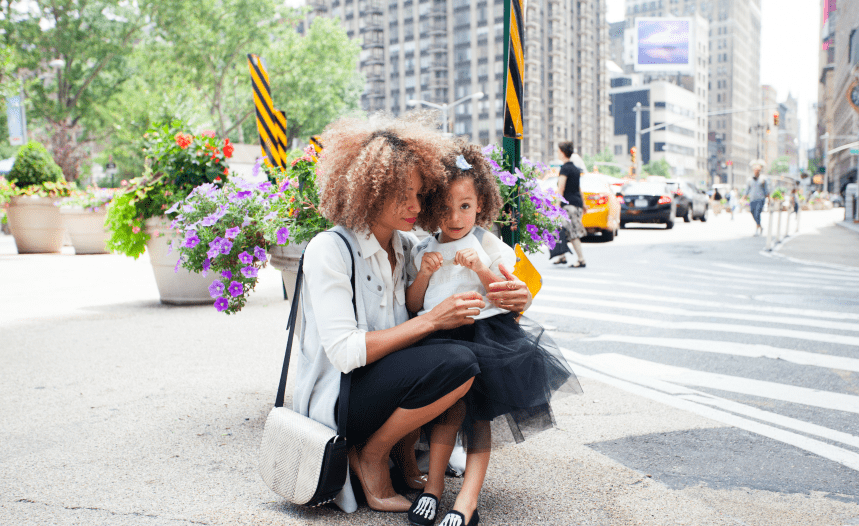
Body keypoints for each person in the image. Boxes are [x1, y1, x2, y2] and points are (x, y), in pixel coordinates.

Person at [292, 114, 534, 514]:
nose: (416, 206)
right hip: (342, 397)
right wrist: (433, 320)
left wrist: (519, 295)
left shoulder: (408, 247)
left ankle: (404, 458)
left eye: (421, 195)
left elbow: (469, 265)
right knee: (457, 360)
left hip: (387, 387)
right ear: (369, 191)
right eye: (403, 194)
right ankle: (372, 454)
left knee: (463, 359)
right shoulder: (330, 249)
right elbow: (345, 353)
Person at [405, 142, 582, 526]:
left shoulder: (488, 244)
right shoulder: (422, 249)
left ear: (480, 204)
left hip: (487, 338)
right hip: (441, 338)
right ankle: (433, 489)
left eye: (465, 207)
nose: (455, 218)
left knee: (478, 417)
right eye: (445, 209)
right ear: (431, 209)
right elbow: (413, 304)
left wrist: (482, 269)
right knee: (446, 413)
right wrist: (424, 274)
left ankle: (467, 501)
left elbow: (510, 298)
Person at [556, 141, 587, 268]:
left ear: (563, 153)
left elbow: (561, 189)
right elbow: (579, 188)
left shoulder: (565, 168)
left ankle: (581, 259)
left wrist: (557, 206)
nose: (557, 153)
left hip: (569, 206)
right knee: (560, 229)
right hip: (577, 204)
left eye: (558, 151)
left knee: (572, 232)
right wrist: (584, 204)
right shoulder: (575, 168)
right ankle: (562, 256)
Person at [744, 161, 769, 236]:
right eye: (755, 170)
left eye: (758, 170)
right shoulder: (749, 180)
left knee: (757, 213)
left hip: (760, 199)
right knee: (752, 212)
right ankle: (760, 226)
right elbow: (747, 190)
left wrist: (769, 199)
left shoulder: (763, 179)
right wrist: (743, 198)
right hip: (752, 199)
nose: (757, 171)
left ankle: (757, 229)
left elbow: (766, 190)